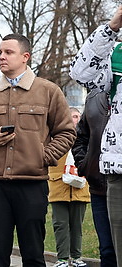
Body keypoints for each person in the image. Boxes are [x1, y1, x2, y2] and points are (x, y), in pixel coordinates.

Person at [0, 33, 76, 266]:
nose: (2, 57)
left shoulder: (49, 91)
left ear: (25, 57)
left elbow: (66, 132)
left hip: (32, 183)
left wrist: (43, 156)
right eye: (0, 53)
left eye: (8, 52)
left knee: (34, 255)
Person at [69, 7, 122, 266]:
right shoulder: (114, 59)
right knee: (110, 251)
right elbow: (80, 72)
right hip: (108, 177)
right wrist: (111, 27)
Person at [48, 107, 90, 267]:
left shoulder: (87, 137)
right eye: (74, 116)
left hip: (80, 187)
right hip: (58, 186)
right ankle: (62, 259)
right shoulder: (56, 135)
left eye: (79, 116)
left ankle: (77, 257)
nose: (77, 119)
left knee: (77, 225)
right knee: (60, 224)